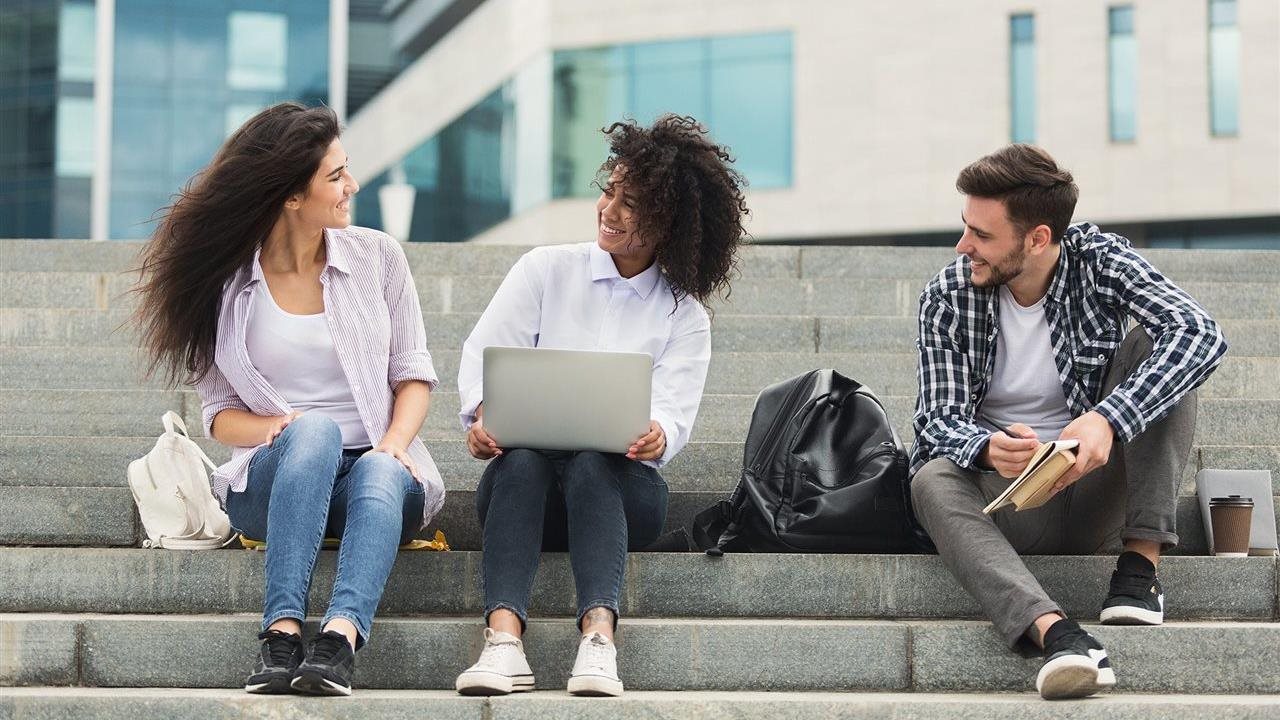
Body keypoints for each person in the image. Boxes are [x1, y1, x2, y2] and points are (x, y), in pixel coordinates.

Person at [132, 102, 445, 696]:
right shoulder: (227, 287)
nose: (351, 185)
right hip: (273, 480)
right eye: (335, 176)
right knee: (315, 432)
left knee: (376, 466)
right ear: (290, 197)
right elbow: (220, 417)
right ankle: (281, 634)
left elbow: (412, 374)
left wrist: (395, 445)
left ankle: (339, 641)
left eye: (346, 169)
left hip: (373, 482)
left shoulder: (378, 257)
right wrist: (282, 428)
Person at [909, 144, 1227, 700]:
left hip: (1097, 489)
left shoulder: (1098, 260)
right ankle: (1058, 634)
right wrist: (985, 448)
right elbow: (936, 421)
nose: (964, 247)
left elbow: (1200, 334)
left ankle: (1138, 571)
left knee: (1162, 347)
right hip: (1008, 503)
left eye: (982, 235)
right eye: (966, 228)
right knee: (929, 478)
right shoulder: (949, 295)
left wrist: (1108, 418)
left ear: (1038, 237)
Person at [452, 115, 748, 697]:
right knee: (521, 461)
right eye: (608, 191)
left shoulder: (682, 314)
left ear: (669, 221)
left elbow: (674, 413)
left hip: (623, 497)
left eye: (630, 202)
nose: (608, 210)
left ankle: (599, 641)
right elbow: (482, 357)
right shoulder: (544, 270)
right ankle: (504, 642)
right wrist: (483, 416)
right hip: (526, 495)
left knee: (593, 461)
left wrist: (658, 433)